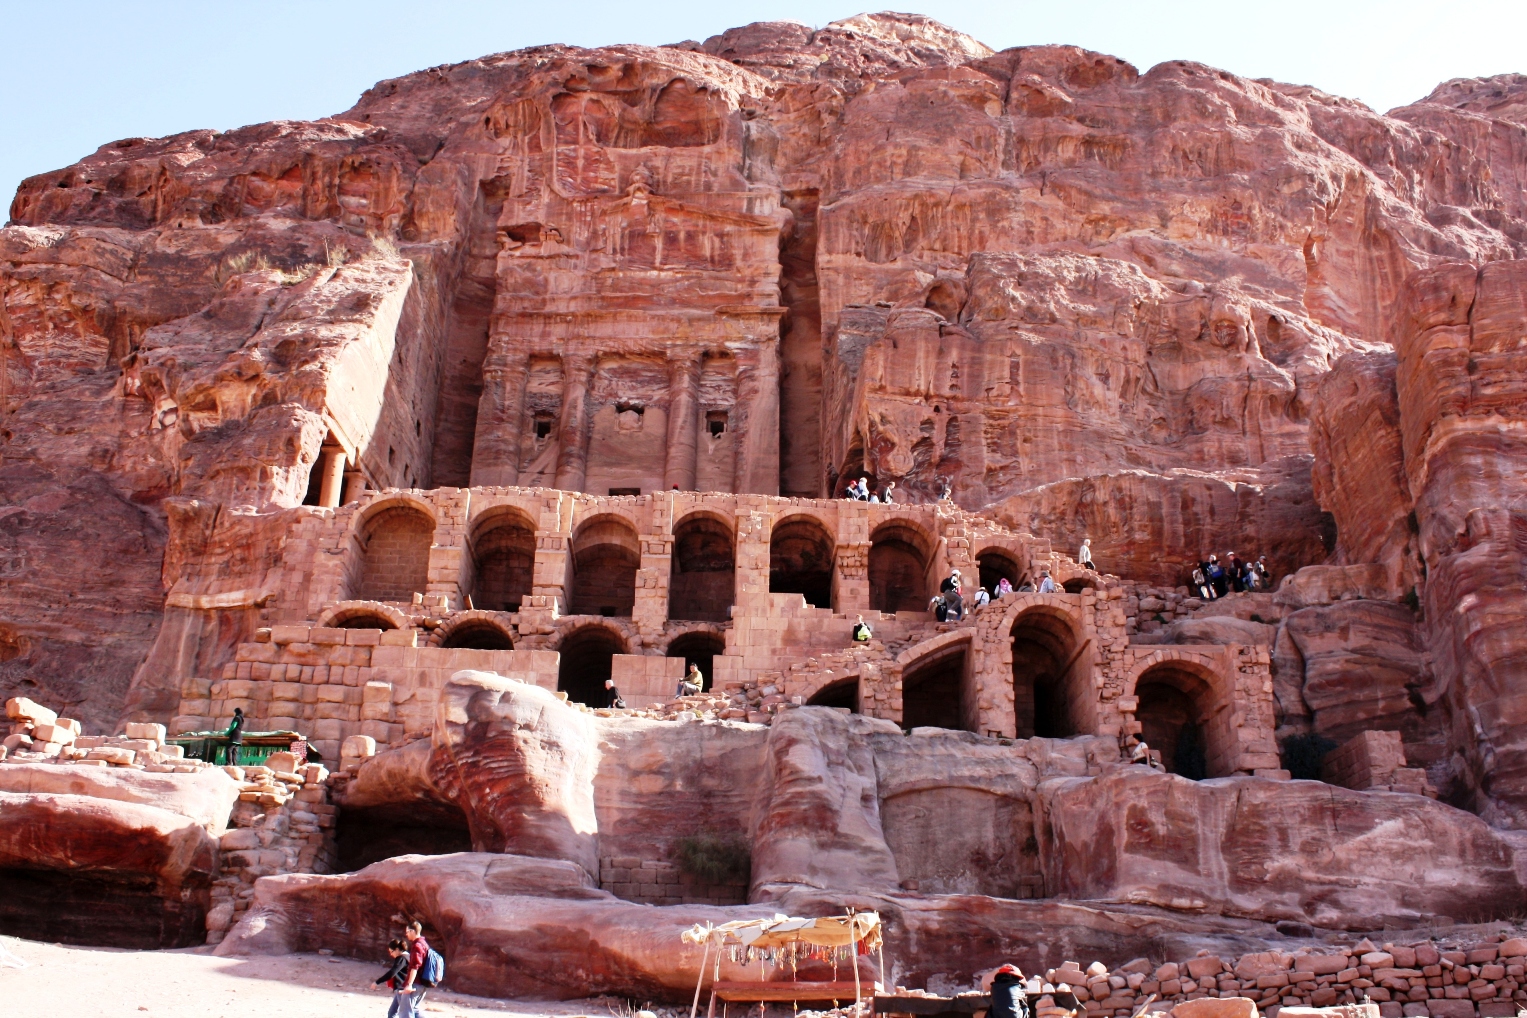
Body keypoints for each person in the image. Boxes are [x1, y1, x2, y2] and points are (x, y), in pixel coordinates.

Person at [399, 921, 433, 1018]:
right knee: (415, 1010)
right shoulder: (424, 944)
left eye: (407, 932)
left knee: (406, 1012)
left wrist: (409, 985)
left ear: (413, 931)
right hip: (423, 983)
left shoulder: (417, 945)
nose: (406, 934)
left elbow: (415, 966)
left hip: (415, 984)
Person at [375, 939, 409, 1018]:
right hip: (401, 989)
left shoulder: (402, 958)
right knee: (392, 1013)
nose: (390, 954)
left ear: (397, 949)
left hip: (402, 988)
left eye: (391, 951)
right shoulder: (406, 957)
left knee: (405, 1013)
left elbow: (392, 973)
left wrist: (377, 982)